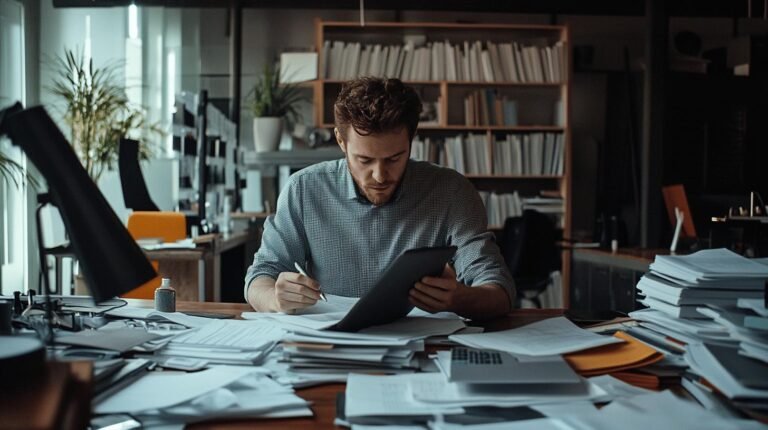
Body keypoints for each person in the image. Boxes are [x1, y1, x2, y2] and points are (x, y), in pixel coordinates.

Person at [244, 77, 514, 319]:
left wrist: (459, 298)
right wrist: (275, 297)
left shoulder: (450, 190)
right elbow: (259, 277)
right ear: (341, 141)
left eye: (394, 158)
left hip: (423, 348)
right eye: (364, 159)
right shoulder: (303, 190)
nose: (380, 175)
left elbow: (499, 291)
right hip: (332, 345)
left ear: (412, 139)